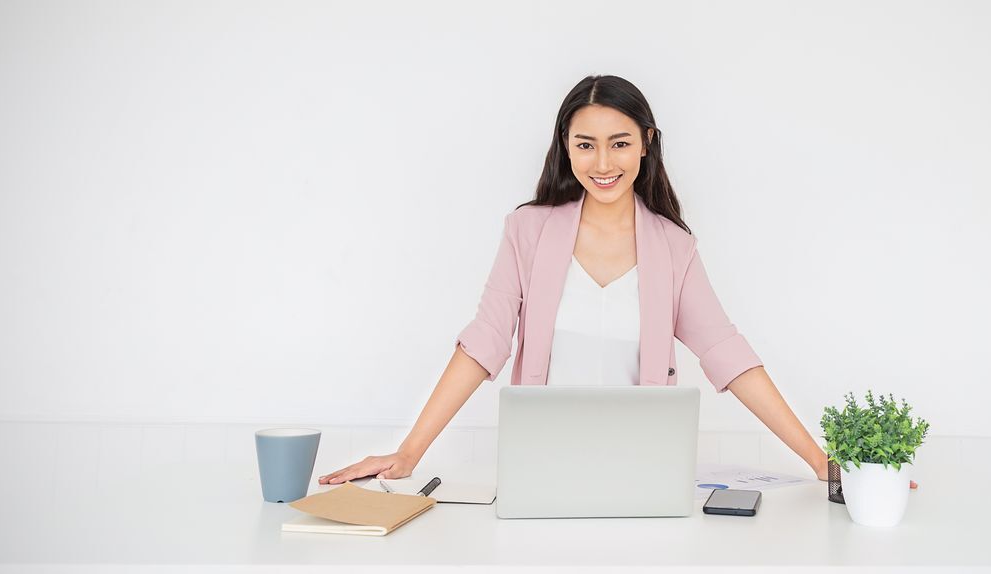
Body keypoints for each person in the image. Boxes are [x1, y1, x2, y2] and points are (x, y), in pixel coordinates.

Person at [319, 75, 917, 490]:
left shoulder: (674, 247)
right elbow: (484, 342)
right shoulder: (527, 230)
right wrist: (409, 453)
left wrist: (820, 461)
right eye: (586, 145)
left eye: (619, 144)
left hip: (645, 472)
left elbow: (728, 355)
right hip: (540, 470)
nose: (603, 163)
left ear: (646, 144)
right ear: (566, 148)